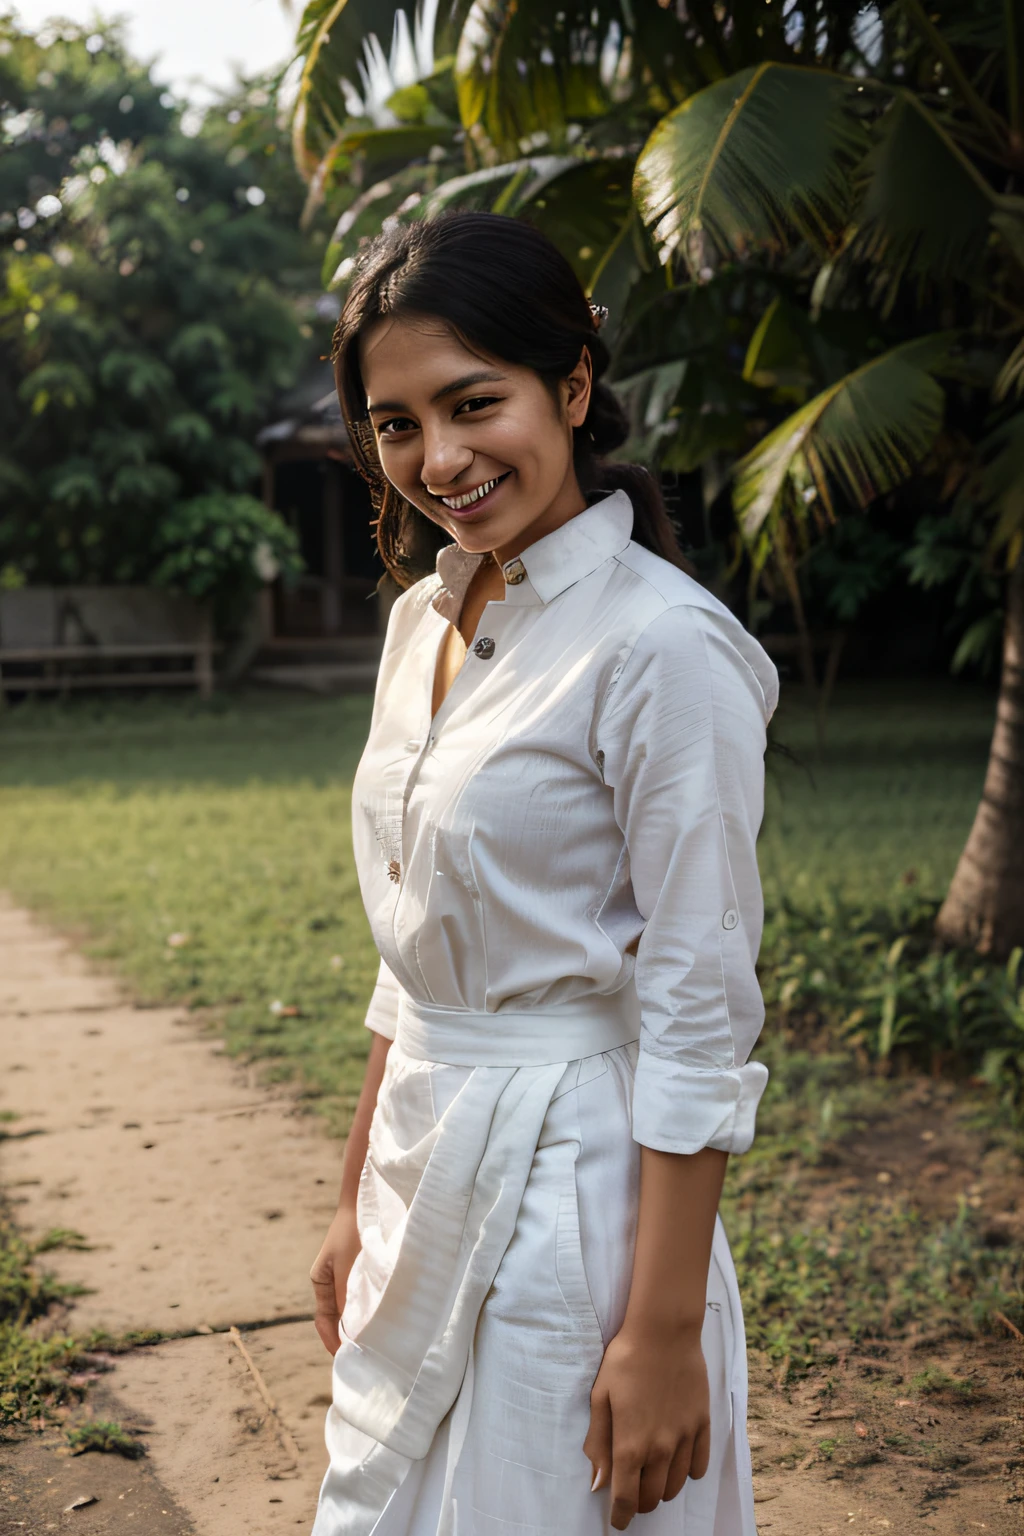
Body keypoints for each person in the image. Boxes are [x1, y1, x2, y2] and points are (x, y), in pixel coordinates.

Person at [308, 211, 778, 1536]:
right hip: (418, 1166)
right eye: (396, 424)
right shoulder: (422, 623)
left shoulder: (665, 647)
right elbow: (417, 961)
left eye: (474, 403)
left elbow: (698, 1006)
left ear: (572, 384)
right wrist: (355, 1208)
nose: (439, 460)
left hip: (577, 1202)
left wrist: (662, 1333)